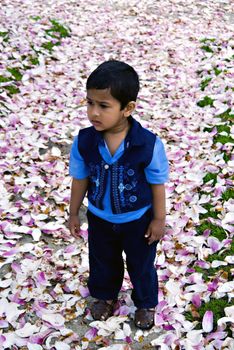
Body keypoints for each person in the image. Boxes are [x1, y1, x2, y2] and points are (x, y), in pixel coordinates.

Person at [68, 60, 169, 330]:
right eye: (89, 103)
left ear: (127, 108)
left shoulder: (147, 144)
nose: (93, 113)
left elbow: (157, 184)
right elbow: (80, 178)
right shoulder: (84, 141)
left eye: (103, 106)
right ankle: (105, 296)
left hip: (138, 220)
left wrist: (158, 220)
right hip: (100, 218)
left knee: (141, 265)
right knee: (102, 261)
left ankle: (146, 303)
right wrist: (73, 212)